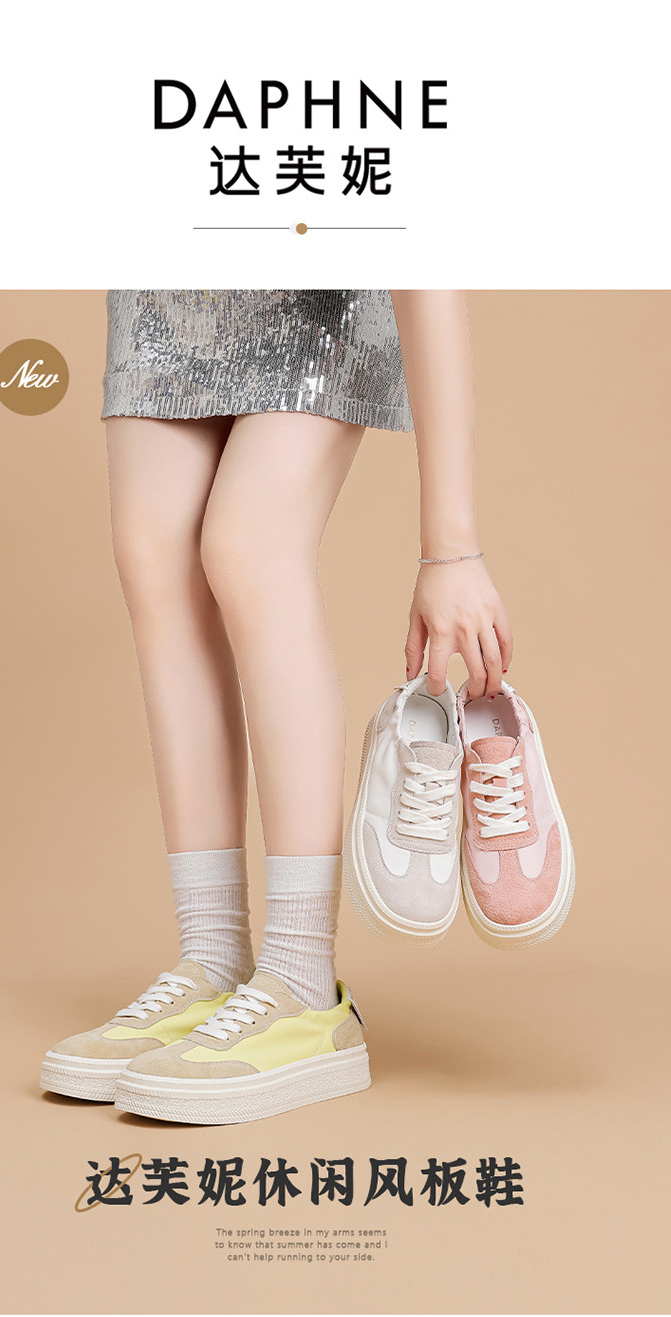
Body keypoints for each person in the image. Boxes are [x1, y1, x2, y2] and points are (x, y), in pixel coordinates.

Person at [40, 289, 512, 1124]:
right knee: (155, 558)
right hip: (171, 277)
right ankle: (212, 958)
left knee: (248, 543)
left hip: (314, 284)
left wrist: (451, 548)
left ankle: (301, 981)